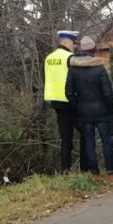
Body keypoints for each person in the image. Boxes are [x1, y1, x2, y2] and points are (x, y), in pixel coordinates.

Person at [65, 37, 113, 179]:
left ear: (80, 50)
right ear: (93, 50)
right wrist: (110, 109)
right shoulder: (99, 67)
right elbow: (108, 92)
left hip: (84, 111)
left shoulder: (73, 69)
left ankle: (94, 172)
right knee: (106, 140)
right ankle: (110, 171)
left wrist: (77, 106)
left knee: (89, 141)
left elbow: (68, 92)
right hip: (101, 110)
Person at [44, 30, 89, 173]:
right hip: (72, 102)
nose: (75, 47)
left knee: (65, 137)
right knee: (85, 133)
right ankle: (85, 168)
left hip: (56, 103)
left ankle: (65, 169)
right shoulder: (70, 58)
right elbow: (78, 80)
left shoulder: (49, 58)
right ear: (68, 42)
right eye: (74, 43)